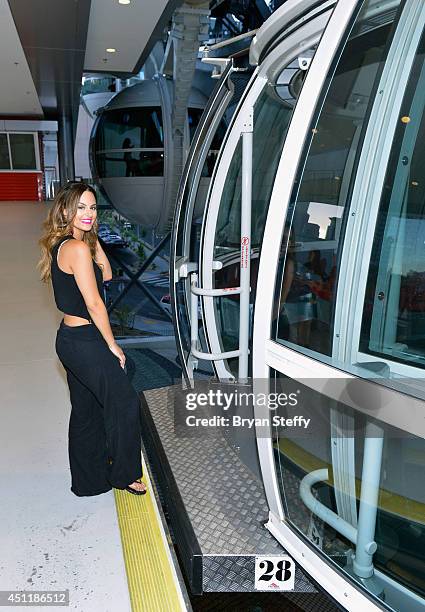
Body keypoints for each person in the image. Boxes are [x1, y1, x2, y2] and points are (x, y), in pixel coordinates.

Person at [37, 182, 146, 497]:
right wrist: (113, 346)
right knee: (124, 403)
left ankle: (89, 482)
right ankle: (124, 474)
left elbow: (107, 275)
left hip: (69, 339)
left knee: (86, 412)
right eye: (81, 207)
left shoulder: (67, 244)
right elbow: (95, 303)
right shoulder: (77, 248)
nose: (88, 213)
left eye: (93, 207)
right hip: (86, 340)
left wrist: (92, 238)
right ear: (66, 210)